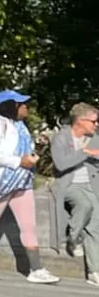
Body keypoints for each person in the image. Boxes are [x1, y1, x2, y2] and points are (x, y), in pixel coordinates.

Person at [0, 88, 57, 283]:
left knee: (28, 225)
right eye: (23, 104)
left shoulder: (19, 125)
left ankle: (36, 269)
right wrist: (18, 161)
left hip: (21, 180)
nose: (27, 107)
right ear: (12, 106)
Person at [50, 104, 99, 285]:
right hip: (69, 184)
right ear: (81, 121)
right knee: (85, 205)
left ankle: (94, 272)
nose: (96, 125)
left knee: (95, 226)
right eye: (94, 121)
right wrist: (85, 153)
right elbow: (61, 164)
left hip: (91, 184)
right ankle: (74, 238)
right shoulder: (62, 137)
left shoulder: (94, 138)